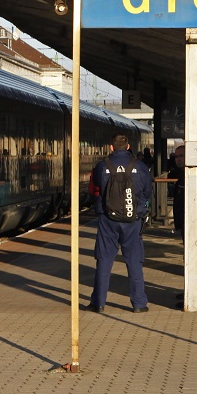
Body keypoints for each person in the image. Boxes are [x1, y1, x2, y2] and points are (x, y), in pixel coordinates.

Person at [86, 133, 154, 313]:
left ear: (111, 147)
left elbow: (94, 190)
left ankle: (98, 303)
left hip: (107, 219)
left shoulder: (102, 166)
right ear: (128, 147)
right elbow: (148, 192)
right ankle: (139, 304)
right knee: (134, 261)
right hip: (133, 220)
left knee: (104, 260)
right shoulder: (140, 166)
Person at [166, 145, 186, 236]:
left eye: (181, 156)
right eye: (176, 157)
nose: (178, 159)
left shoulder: (187, 176)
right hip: (182, 223)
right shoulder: (179, 175)